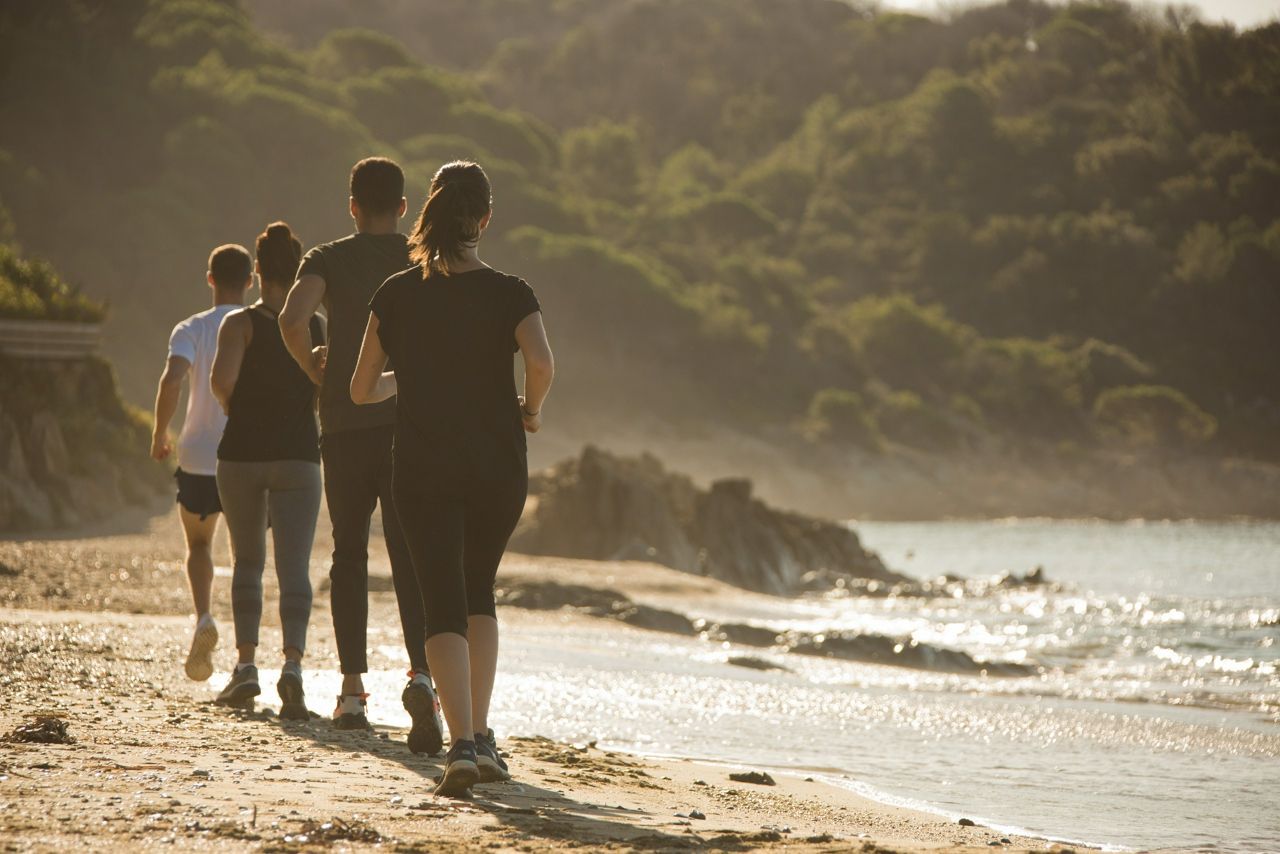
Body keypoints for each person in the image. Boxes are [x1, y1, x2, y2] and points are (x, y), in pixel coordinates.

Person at [351, 161, 554, 797]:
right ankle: (484, 736)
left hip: (423, 465)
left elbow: (360, 391)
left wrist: (407, 380)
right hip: (497, 466)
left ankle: (461, 743)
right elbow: (542, 362)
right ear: (485, 218)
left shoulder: (395, 293)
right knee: (478, 590)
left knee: (440, 596)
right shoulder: (511, 291)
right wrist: (530, 410)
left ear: (427, 214)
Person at [279, 157, 443, 751]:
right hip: (406, 424)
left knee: (349, 553)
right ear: (404, 208)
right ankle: (423, 676)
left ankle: (351, 694)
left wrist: (314, 369)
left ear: (352, 205)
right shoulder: (421, 258)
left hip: (344, 425)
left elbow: (294, 319)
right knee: (409, 552)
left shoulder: (326, 259)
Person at [209, 222, 324, 719]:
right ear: (298, 273)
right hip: (300, 455)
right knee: (294, 566)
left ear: (256, 271)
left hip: (241, 456)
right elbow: (323, 385)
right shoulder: (317, 325)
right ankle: (293, 668)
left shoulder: (239, 324)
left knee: (248, 562)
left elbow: (221, 384)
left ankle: (246, 666)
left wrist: (247, 413)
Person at [150, 244, 249, 682]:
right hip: (247, 452)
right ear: (250, 281)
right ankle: (248, 657)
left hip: (196, 455)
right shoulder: (253, 327)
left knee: (200, 546)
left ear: (210, 279)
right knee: (247, 555)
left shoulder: (190, 328)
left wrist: (159, 433)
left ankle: (205, 616)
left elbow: (172, 378)